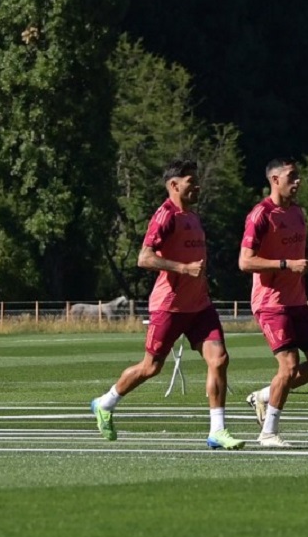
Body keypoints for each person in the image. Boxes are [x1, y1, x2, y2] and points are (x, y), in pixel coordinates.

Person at [90, 159, 243, 449]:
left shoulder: (193, 217)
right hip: (169, 306)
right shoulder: (165, 216)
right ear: (174, 185)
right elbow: (144, 258)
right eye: (191, 181)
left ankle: (217, 431)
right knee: (151, 368)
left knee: (219, 360)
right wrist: (183, 269)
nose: (197, 185)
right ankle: (105, 403)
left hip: (199, 307)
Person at [238, 158, 308, 448]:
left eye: (298, 175)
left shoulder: (298, 213)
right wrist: (287, 264)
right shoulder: (261, 214)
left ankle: (263, 396)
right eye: (292, 176)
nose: (298, 181)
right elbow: (245, 261)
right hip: (271, 302)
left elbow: (295, 249)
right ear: (274, 180)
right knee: (289, 366)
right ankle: (268, 432)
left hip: (297, 301)